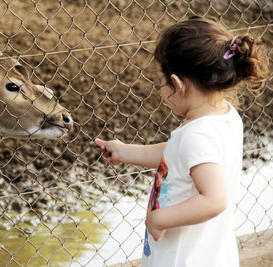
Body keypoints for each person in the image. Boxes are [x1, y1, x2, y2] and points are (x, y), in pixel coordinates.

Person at [94, 17, 268, 267]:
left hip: (183, 259)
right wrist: (124, 151)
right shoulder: (225, 115)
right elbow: (178, 156)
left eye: (160, 83)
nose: (160, 91)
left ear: (177, 83)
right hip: (211, 254)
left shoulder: (196, 136)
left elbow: (214, 199)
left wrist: (159, 219)